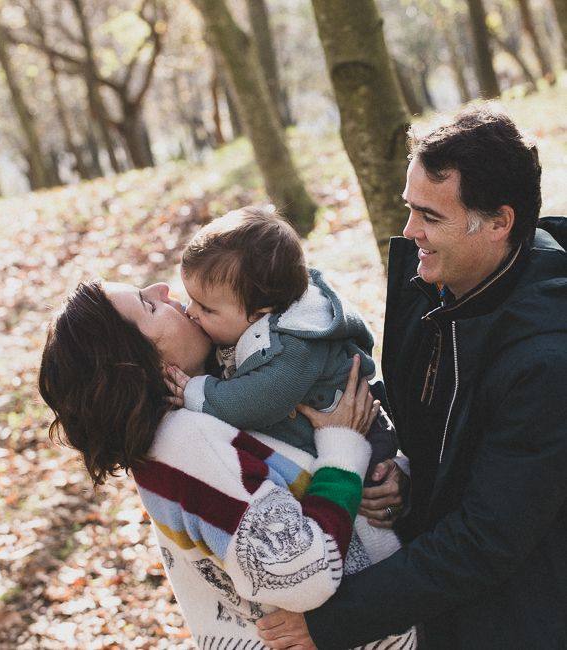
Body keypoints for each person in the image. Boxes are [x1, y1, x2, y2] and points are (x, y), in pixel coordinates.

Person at [257, 106, 567, 649]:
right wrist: (400, 473)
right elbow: (439, 430)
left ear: (499, 222)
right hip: (443, 601)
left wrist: (332, 622)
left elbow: (485, 539)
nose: (408, 231)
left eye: (430, 216)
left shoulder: (546, 361)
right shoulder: (435, 288)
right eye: (409, 208)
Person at [37, 279, 413, 648]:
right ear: (139, 365)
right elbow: (302, 576)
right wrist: (343, 446)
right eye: (148, 306)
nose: (162, 289)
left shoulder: (214, 407)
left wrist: (384, 480)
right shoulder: (186, 442)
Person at [166, 206, 403, 567]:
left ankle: (386, 573)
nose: (190, 312)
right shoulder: (252, 326)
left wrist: (198, 392)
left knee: (374, 523)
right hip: (319, 448)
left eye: (206, 309)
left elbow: (254, 402)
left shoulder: (294, 346)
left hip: (365, 445)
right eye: (191, 299)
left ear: (261, 313)